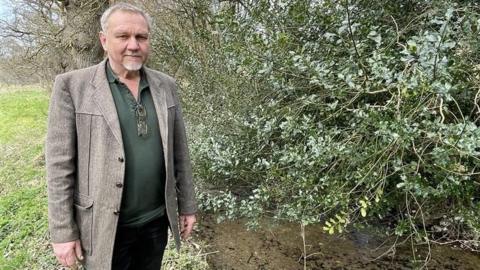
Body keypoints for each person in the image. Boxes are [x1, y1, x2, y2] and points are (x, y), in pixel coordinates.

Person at [45, 3, 197, 269]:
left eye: (141, 37)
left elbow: (179, 153)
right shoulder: (72, 86)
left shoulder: (166, 86)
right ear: (104, 40)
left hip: (155, 223)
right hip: (102, 226)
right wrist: (62, 231)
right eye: (123, 36)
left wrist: (187, 206)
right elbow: (59, 165)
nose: (134, 45)